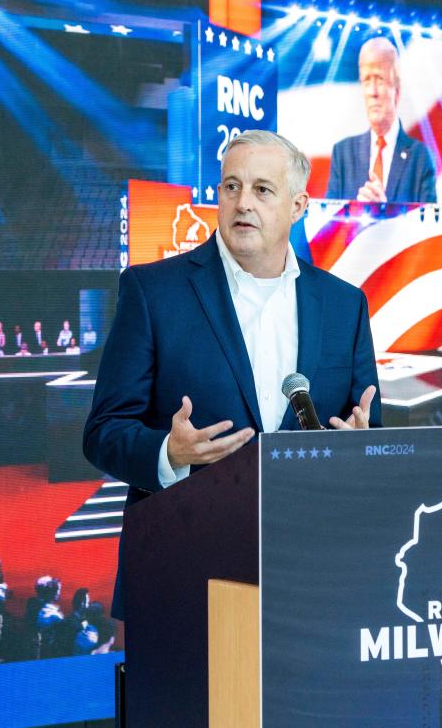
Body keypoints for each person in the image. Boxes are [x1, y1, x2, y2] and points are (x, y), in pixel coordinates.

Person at [83, 129, 381, 620]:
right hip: (184, 573)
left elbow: (366, 430)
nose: (243, 202)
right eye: (231, 187)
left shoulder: (344, 305)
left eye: (263, 189)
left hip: (311, 579)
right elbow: (103, 432)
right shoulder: (153, 292)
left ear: (298, 206)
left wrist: (360, 452)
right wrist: (168, 453)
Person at [326, 37, 437, 204]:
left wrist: (383, 213)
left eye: (379, 79)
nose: (372, 92)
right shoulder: (343, 155)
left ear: (397, 92)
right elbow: (328, 225)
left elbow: (429, 229)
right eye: (366, 80)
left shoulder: (420, 158)